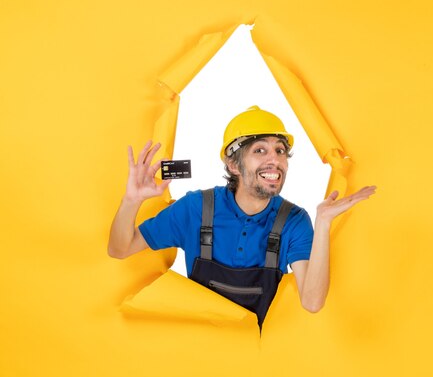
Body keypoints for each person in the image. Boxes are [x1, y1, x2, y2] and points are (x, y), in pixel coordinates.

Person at [108, 106, 376, 328]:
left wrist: (323, 224)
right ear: (233, 164)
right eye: (260, 150)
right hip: (197, 353)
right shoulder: (196, 208)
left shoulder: (294, 221)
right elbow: (120, 248)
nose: (275, 160)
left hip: (256, 359)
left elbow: (313, 302)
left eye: (280, 151)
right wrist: (132, 200)